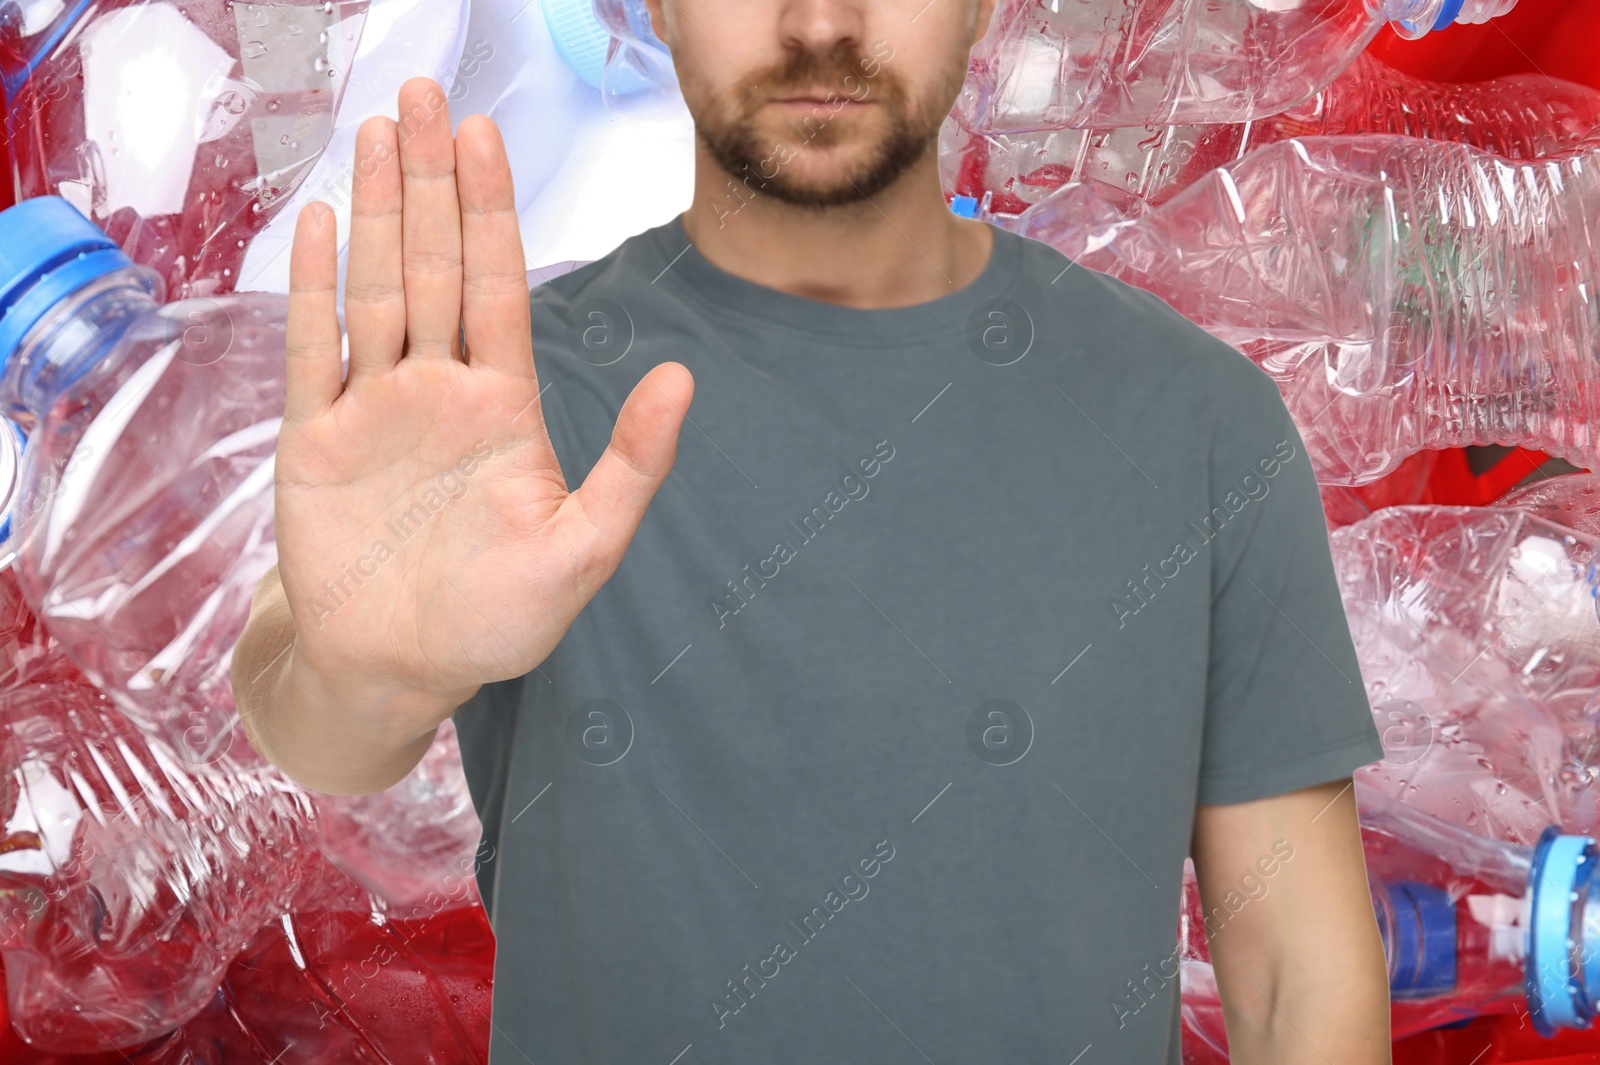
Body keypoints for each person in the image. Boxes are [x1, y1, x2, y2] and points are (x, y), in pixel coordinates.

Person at [231, 1, 1393, 1061]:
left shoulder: (1196, 420)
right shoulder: (498, 403)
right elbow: (318, 723)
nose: (818, 22)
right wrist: (364, 665)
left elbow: (1299, 983)